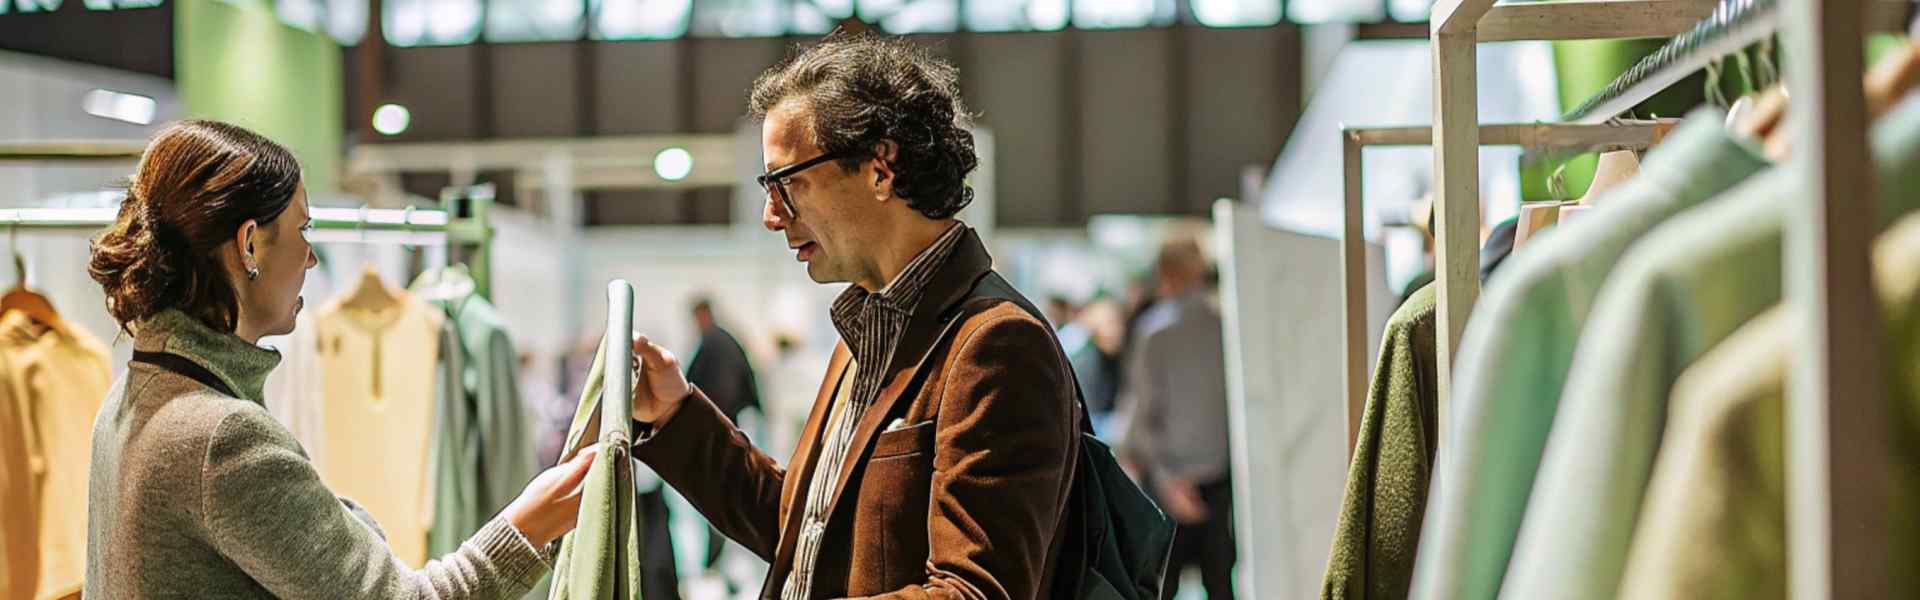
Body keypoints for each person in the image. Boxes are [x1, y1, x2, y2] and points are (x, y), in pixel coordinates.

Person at [623, 32, 1081, 600]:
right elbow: (803, 530)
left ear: (879, 168)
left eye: (787, 183)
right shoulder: (868, 329)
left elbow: (974, 592)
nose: (772, 215)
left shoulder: (996, 344)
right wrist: (676, 413)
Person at [84, 120, 594, 598]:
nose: (310, 258)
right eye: (303, 231)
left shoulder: (134, 396)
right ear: (249, 246)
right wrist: (532, 524)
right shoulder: (220, 439)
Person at [1112, 238, 1236, 600]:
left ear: (1165, 274)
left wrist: (1166, 479)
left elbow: (1140, 412)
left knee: (1161, 586)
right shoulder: (1225, 328)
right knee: (1220, 584)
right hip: (1220, 482)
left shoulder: (1154, 331)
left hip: (1166, 482)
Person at [682, 296, 761, 583]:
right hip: (722, 431)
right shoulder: (722, 342)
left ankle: (718, 562)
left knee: (721, 498)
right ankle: (717, 562)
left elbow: (711, 387)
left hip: (718, 434)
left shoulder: (716, 343)